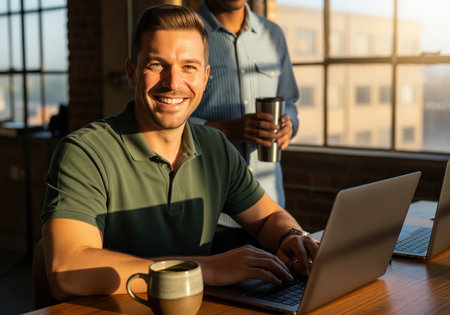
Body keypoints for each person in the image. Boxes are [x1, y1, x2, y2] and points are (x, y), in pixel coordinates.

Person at [41, 4, 316, 302]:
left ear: (205, 76)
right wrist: (203, 269)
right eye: (157, 64)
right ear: (132, 73)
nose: (173, 83)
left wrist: (291, 236)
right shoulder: (83, 153)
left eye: (189, 67)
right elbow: (66, 270)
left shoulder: (216, 147)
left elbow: (268, 218)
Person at [191, 0, 299, 220]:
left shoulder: (273, 34)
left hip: (270, 206)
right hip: (212, 208)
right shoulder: (187, 33)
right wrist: (227, 130)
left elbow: (289, 101)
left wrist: (290, 125)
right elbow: (164, 120)